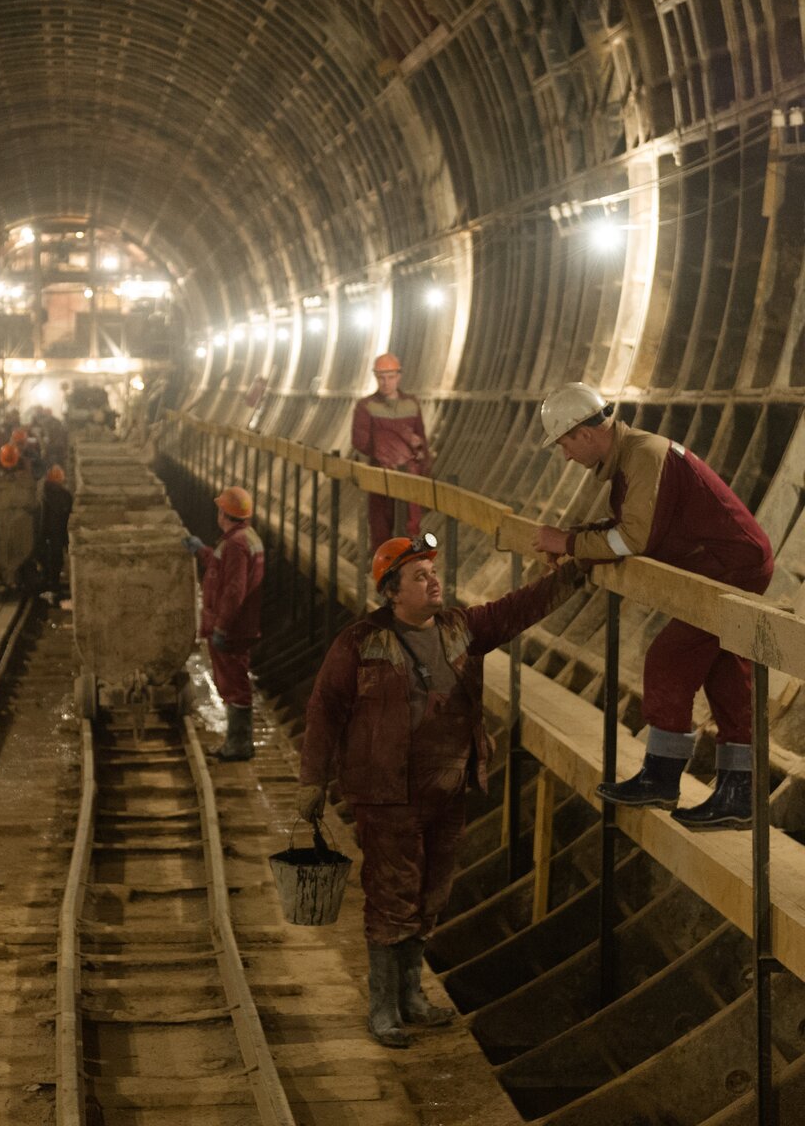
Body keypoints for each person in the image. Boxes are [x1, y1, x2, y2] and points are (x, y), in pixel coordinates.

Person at [298, 534, 584, 1047]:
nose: (433, 581)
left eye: (432, 571)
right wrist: (312, 780)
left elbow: (516, 609)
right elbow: (325, 709)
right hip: (389, 793)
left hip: (449, 788)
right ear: (392, 592)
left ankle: (411, 998)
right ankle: (383, 1008)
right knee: (393, 896)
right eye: (418, 576)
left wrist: (572, 573)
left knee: (432, 894)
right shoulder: (360, 642)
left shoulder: (459, 628)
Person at [533, 383, 775, 830]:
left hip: (730, 565)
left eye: (565, 443)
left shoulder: (643, 456)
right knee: (724, 672)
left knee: (669, 658)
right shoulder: (632, 457)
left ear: (584, 434)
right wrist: (574, 540)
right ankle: (738, 793)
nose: (566, 455)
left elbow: (632, 539)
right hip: (725, 560)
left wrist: (567, 541)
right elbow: (635, 525)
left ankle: (662, 778)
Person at [184, 486, 265, 760]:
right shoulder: (245, 539)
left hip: (232, 628)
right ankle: (238, 742)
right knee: (234, 681)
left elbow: (233, 589)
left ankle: (239, 744)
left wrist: (220, 627)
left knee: (234, 684)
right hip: (241, 624)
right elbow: (223, 570)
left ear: (224, 513)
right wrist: (202, 552)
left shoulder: (235, 544)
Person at [351, 354, 433, 550]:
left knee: (410, 526)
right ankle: (385, 574)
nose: (385, 382)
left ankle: (407, 570)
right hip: (380, 474)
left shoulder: (411, 404)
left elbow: (421, 439)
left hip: (409, 474)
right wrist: (391, 445)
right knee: (381, 526)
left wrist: (424, 469)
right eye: (381, 377)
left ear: (398, 376)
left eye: (390, 377)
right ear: (375, 377)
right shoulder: (366, 406)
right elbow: (360, 441)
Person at [38, 464, 74, 592]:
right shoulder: (65, 495)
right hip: (57, 533)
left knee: (45, 558)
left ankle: (46, 582)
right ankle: (53, 584)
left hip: (46, 532)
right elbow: (68, 515)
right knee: (56, 559)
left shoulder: (42, 492)